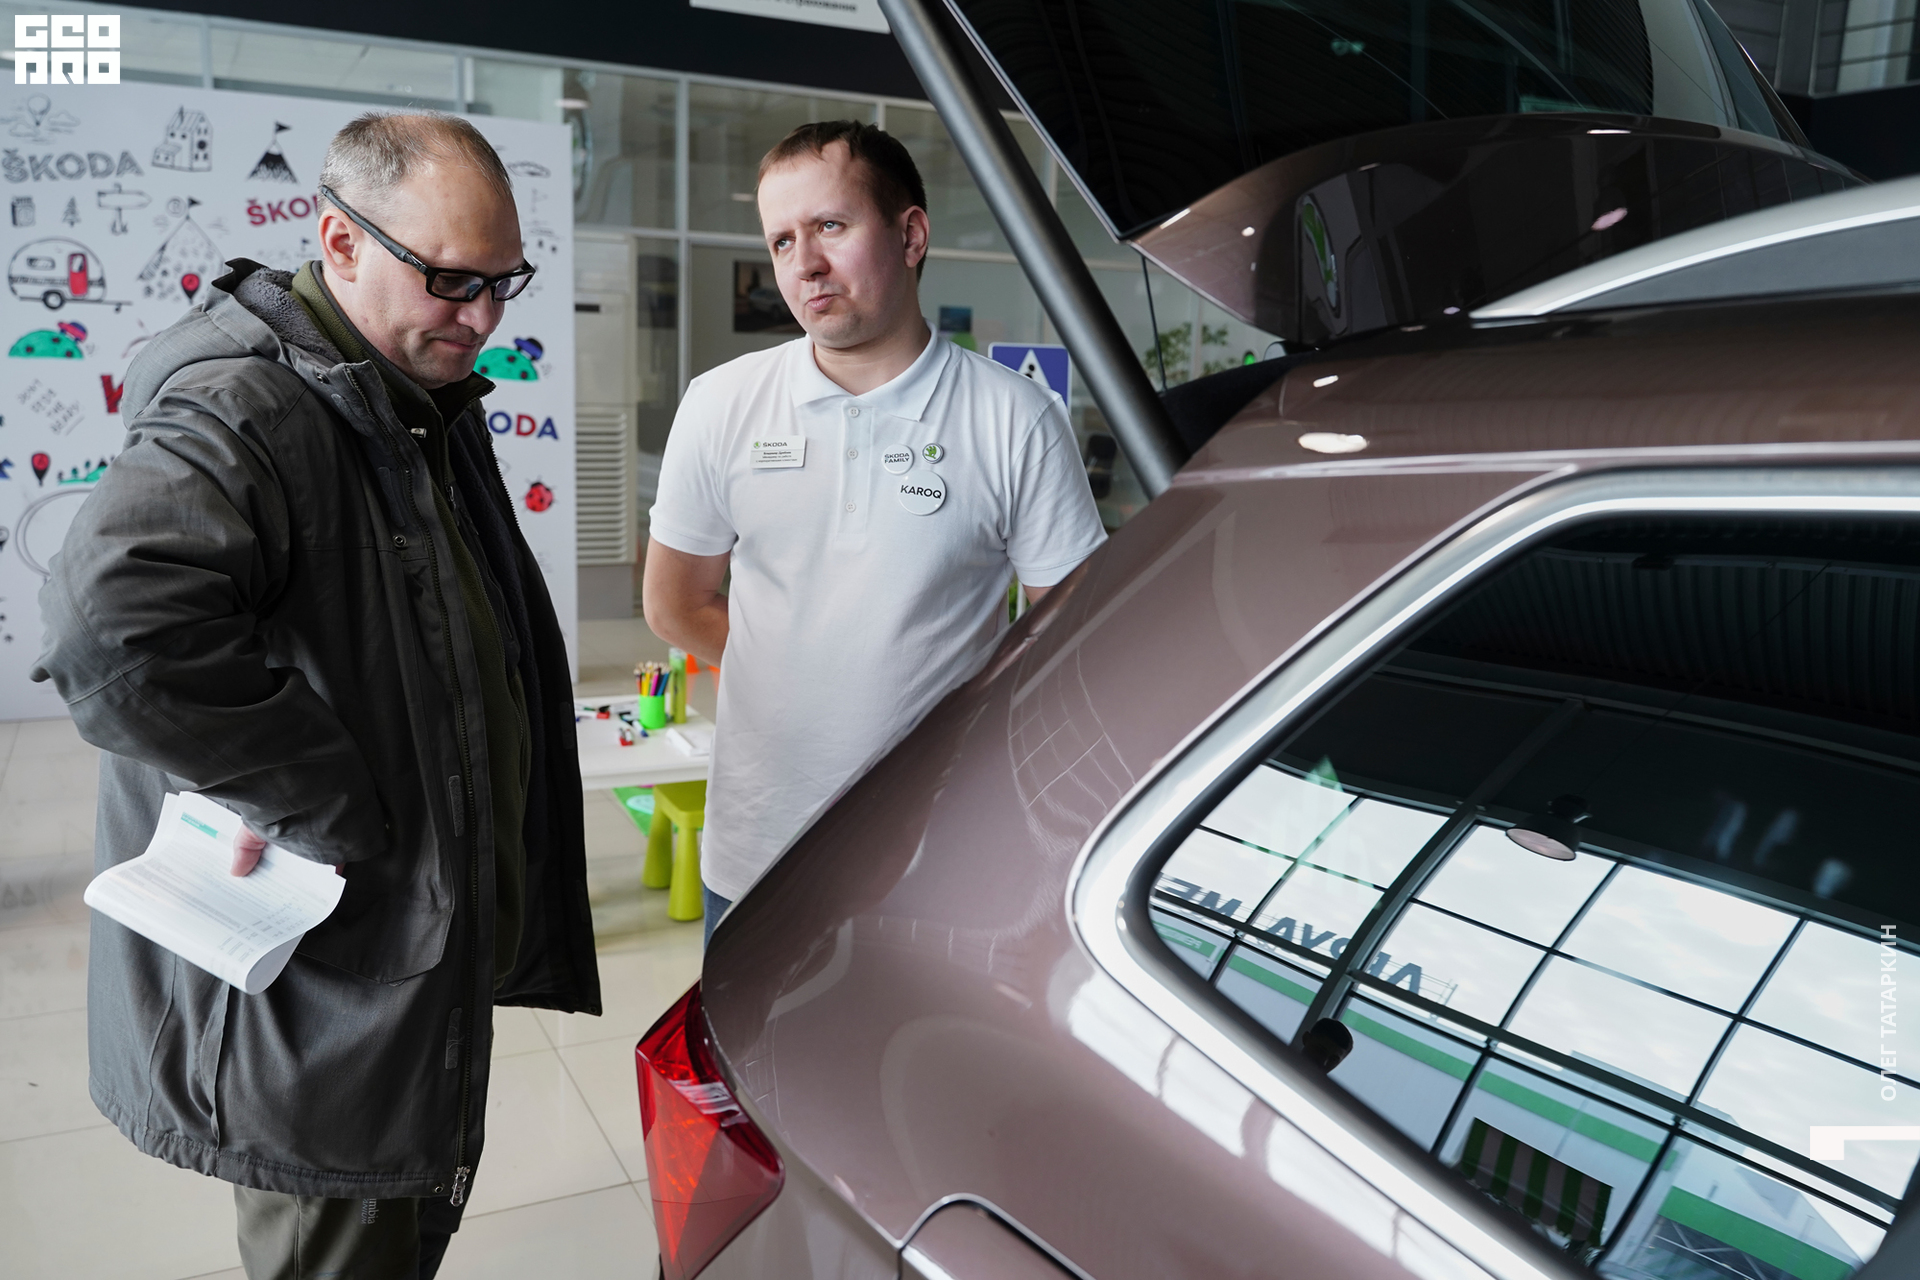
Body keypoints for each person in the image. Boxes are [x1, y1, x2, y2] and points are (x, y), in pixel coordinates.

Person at [33, 111, 599, 1279]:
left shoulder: (407, 394)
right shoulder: (252, 407)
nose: (484, 317)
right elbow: (111, 628)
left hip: (406, 964)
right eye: (451, 278)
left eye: (504, 281)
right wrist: (311, 791)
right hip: (324, 987)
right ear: (340, 242)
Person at [644, 121, 1108, 943]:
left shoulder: (1014, 418)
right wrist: (800, 671)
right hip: (758, 850)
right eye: (782, 240)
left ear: (911, 235)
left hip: (942, 853)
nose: (804, 263)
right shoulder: (721, 404)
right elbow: (675, 604)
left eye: (830, 225)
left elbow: (1071, 635)